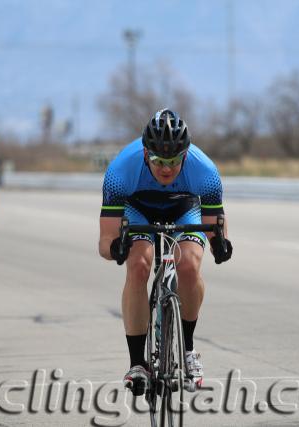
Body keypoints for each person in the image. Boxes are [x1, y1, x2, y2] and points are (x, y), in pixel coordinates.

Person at [98, 109, 233, 395]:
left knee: (189, 266)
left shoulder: (205, 171)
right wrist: (116, 248)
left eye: (173, 161)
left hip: (184, 208)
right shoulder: (121, 170)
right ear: (146, 153)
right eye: (159, 161)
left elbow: (214, 228)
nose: (166, 169)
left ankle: (188, 348)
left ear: (185, 155)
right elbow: (105, 242)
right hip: (138, 208)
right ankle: (137, 363)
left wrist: (220, 243)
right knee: (139, 265)